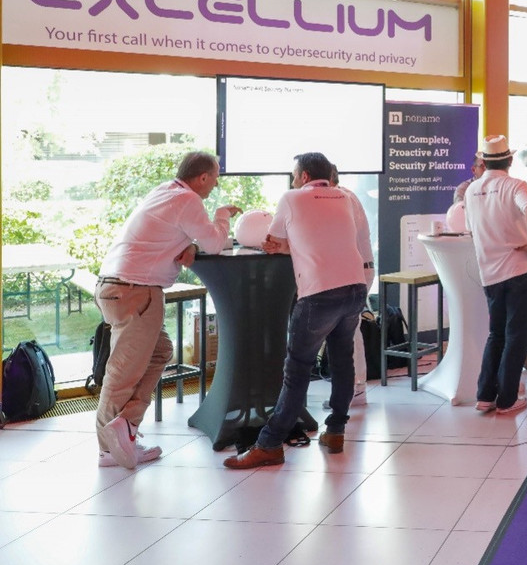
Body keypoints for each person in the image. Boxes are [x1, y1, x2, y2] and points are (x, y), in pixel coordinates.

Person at [225, 152, 372, 468]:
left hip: (319, 293)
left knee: (297, 370)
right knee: (342, 361)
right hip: (355, 288)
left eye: (294, 174)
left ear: (304, 176)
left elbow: (273, 241)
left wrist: (278, 243)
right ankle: (335, 431)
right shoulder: (344, 198)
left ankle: (270, 444)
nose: (293, 180)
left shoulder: (291, 198)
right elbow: (319, 236)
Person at [94, 151, 240, 469]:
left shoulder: (165, 192)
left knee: (161, 352)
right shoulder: (188, 201)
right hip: (136, 291)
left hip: (118, 287)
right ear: (202, 178)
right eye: (215, 178)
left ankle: (126, 428)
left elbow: (168, 235)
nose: (215, 184)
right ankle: (110, 449)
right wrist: (222, 215)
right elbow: (215, 243)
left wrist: (185, 244)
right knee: (122, 374)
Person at [463, 135, 527, 415]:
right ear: (509, 160)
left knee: (496, 334)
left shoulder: (471, 191)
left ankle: (485, 395)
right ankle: (508, 399)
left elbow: (472, 230)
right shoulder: (514, 185)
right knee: (516, 335)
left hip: (490, 272)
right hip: (520, 269)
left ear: (483, 161)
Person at [322, 164, 372, 409]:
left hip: (357, 270)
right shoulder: (343, 196)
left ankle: (356, 388)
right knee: (350, 330)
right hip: (355, 269)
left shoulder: (343, 198)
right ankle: (352, 387)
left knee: (351, 331)